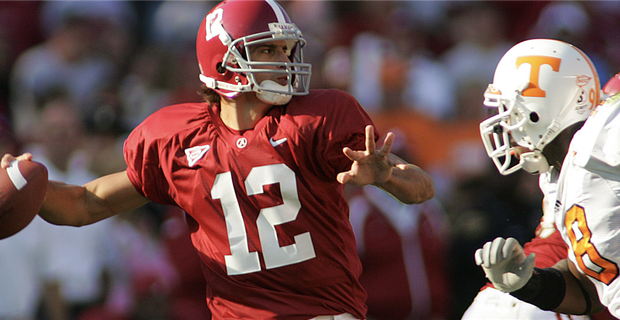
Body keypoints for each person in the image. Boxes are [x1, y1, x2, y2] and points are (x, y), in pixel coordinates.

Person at [2, 0, 434, 319]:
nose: (284, 62)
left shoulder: (315, 120)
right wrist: (27, 186)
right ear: (224, 63)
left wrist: (388, 177)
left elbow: (421, 188)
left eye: (286, 50)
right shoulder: (176, 139)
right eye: (268, 51)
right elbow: (88, 203)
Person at [474, 39, 620, 317]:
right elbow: (588, 290)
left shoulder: (605, 136)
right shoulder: (557, 178)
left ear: (536, 112)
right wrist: (529, 284)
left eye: (508, 114)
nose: (503, 127)